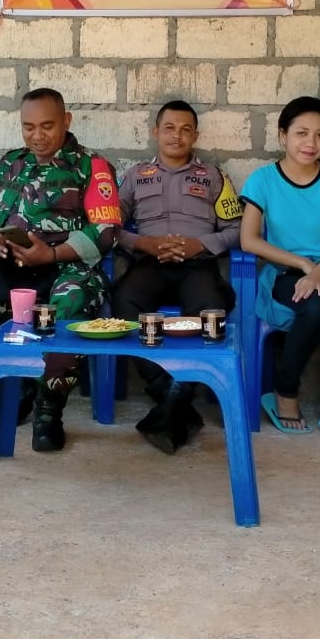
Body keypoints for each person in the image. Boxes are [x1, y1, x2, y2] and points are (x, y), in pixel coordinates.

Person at [0, 88, 121, 453]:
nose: (37, 136)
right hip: (12, 271)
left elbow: (106, 231)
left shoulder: (92, 166)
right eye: (29, 127)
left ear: (66, 121)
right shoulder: (9, 165)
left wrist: (51, 255)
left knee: (67, 314)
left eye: (47, 126)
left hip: (67, 269)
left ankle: (48, 408)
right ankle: (24, 379)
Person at [240, 96, 320, 446]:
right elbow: (249, 240)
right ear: (282, 135)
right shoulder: (263, 180)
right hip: (287, 273)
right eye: (301, 133)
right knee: (313, 307)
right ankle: (284, 392)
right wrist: (306, 268)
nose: (311, 143)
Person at [114, 100, 242, 454]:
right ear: (156, 132)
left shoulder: (214, 176)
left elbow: (237, 229)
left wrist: (199, 245)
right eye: (169, 127)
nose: (177, 135)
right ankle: (170, 390)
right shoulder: (136, 175)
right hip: (149, 264)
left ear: (196, 135)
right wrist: (146, 243)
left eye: (186, 129)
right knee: (123, 302)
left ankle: (172, 403)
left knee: (211, 310)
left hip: (196, 266)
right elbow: (110, 227)